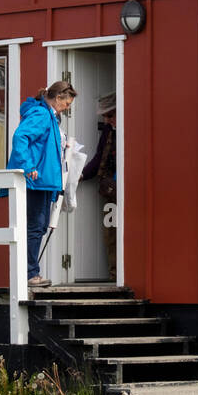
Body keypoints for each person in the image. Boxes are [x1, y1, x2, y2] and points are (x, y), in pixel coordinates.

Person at [7, 79, 75, 287]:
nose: (67, 108)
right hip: (35, 180)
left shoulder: (49, 116)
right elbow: (21, 137)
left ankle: (30, 271)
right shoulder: (42, 115)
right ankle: (30, 273)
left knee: (40, 226)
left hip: (44, 180)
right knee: (36, 226)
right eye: (66, 104)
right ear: (56, 99)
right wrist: (28, 167)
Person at [80, 92, 118, 282]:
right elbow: (98, 158)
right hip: (111, 191)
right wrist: (80, 175)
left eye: (110, 115)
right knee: (111, 232)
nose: (106, 119)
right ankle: (115, 276)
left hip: (133, 191)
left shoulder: (134, 127)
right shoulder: (109, 131)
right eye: (105, 116)